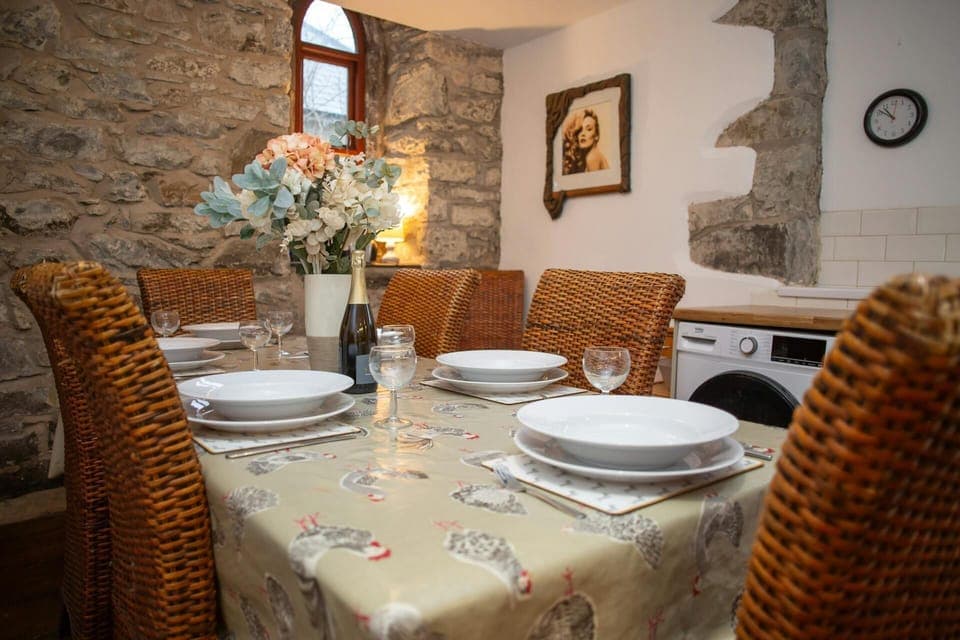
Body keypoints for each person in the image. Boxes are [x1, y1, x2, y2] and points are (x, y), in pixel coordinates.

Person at [561, 108, 609, 175]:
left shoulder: (592, 157)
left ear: (596, 135)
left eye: (588, 129)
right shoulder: (596, 156)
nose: (583, 134)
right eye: (580, 130)